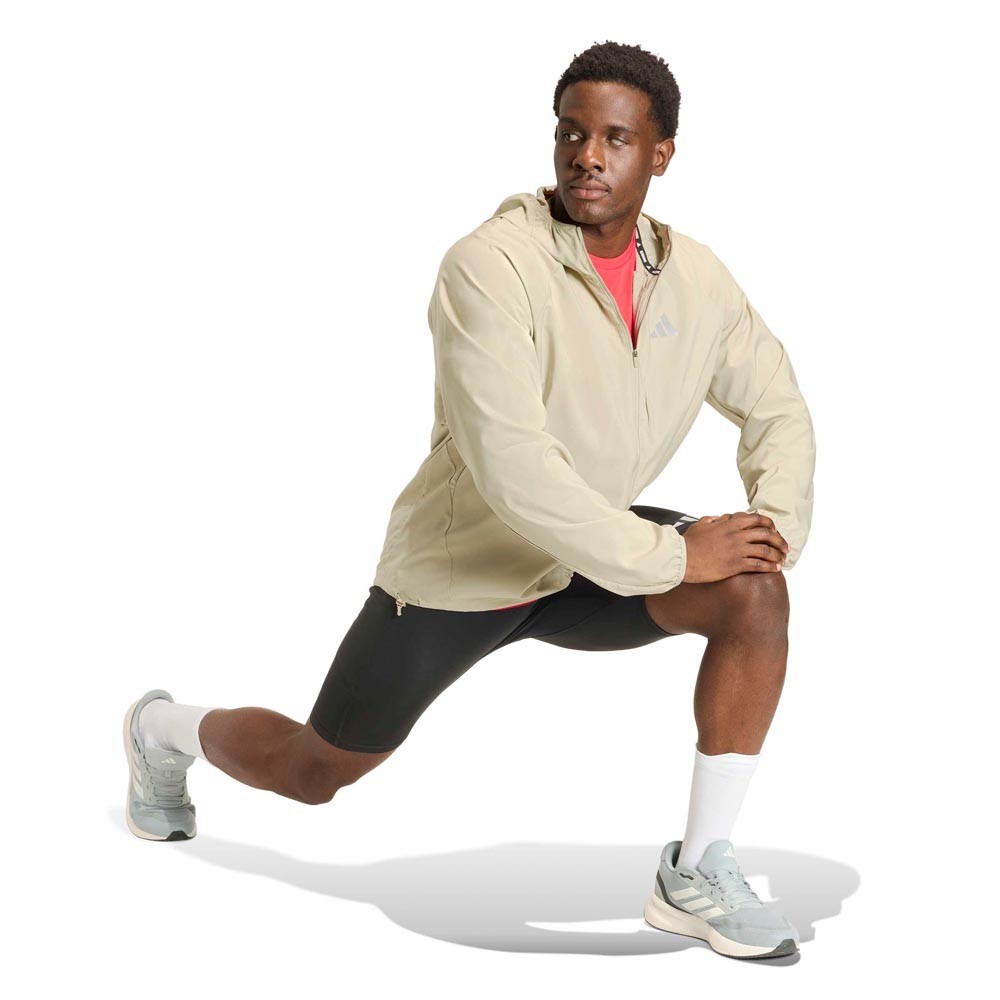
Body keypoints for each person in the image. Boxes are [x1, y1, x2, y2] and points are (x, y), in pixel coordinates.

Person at [122, 41, 815, 961]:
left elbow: (776, 404)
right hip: (462, 570)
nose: (587, 156)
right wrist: (675, 554)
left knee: (754, 590)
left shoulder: (695, 278)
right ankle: (161, 729)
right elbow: (512, 465)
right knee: (315, 771)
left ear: (662, 153)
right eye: (571, 132)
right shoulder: (489, 266)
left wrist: (773, 530)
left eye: (615, 138)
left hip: (590, 558)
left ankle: (697, 870)